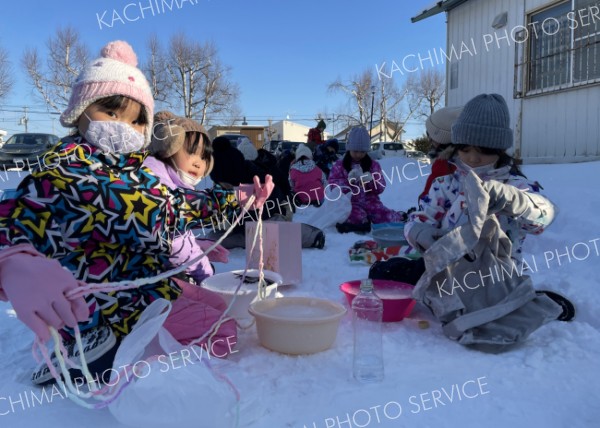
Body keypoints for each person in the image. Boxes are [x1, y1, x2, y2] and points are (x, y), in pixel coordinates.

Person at [0, 41, 274, 386]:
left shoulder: (134, 169)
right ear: (81, 110)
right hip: (101, 302)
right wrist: (11, 258)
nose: (122, 127)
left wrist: (236, 198)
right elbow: (17, 212)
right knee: (222, 333)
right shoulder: (66, 169)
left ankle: (130, 349)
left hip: (144, 285)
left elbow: (177, 203)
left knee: (218, 306)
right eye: (111, 113)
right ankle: (109, 361)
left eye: (134, 120)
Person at [373, 93, 573, 321]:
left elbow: (544, 215)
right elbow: (419, 220)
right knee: (384, 272)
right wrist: (421, 234)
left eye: (484, 151)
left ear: (499, 151)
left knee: (487, 308)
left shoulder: (513, 185)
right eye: (465, 150)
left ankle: (525, 299)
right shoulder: (446, 184)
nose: (473, 158)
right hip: (445, 270)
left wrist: (515, 201)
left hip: (494, 276)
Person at [143, 111, 230, 285]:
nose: (199, 163)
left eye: (204, 157)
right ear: (168, 146)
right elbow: (176, 245)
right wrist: (207, 278)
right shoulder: (155, 181)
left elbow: (173, 236)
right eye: (192, 153)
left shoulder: (165, 177)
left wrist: (198, 244)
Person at [328, 126, 406, 234]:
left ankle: (399, 216)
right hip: (350, 203)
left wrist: (371, 181)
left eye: (363, 152)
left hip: (371, 201)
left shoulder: (373, 165)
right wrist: (348, 183)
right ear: (349, 148)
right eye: (355, 151)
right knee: (356, 218)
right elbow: (333, 185)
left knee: (386, 217)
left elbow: (381, 187)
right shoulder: (339, 165)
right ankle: (362, 223)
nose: (359, 155)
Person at [419, 106, 463, 200]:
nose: (429, 139)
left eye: (429, 134)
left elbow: (429, 198)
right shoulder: (462, 159)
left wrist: (421, 199)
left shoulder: (444, 164)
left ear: (441, 138)